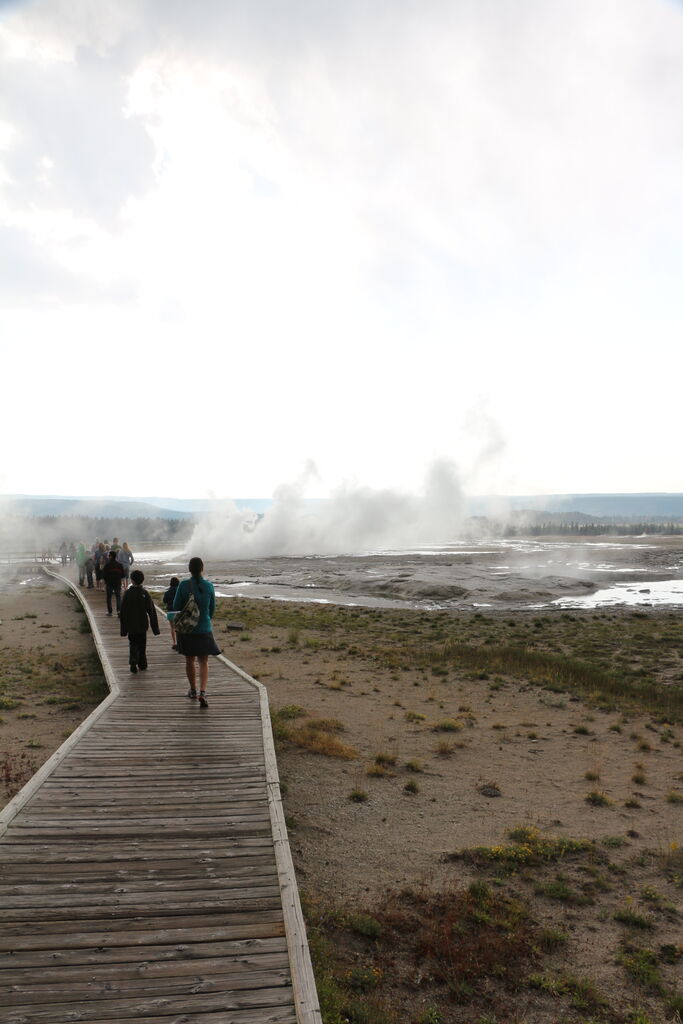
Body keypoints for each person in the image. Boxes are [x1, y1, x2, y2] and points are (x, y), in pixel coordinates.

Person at [172, 557, 220, 708]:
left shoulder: (183, 585)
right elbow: (212, 608)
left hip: (188, 629)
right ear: (202, 568)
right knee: (203, 662)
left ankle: (192, 690)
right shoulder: (209, 586)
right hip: (204, 628)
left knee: (189, 660)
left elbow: (176, 605)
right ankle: (203, 692)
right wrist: (205, 618)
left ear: (189, 569)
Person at [120, 569, 160, 673]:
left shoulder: (127, 594)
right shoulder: (144, 593)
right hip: (142, 624)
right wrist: (155, 628)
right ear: (142, 580)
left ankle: (133, 660)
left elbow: (122, 611)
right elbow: (151, 611)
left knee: (133, 643)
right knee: (142, 644)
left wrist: (123, 629)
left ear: (132, 580)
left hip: (131, 624)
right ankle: (142, 663)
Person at [102, 549, 125, 616]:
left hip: (109, 583)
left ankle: (110, 612)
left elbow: (104, 575)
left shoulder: (107, 565)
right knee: (118, 597)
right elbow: (123, 575)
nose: (108, 557)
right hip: (118, 583)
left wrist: (105, 582)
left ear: (111, 556)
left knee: (109, 597)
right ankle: (119, 611)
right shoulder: (120, 565)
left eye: (109, 555)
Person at [163, 576, 180, 651]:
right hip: (178, 612)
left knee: (172, 628)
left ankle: (174, 642)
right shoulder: (179, 591)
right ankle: (180, 643)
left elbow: (164, 601)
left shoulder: (167, 592)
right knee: (179, 628)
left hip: (170, 612)